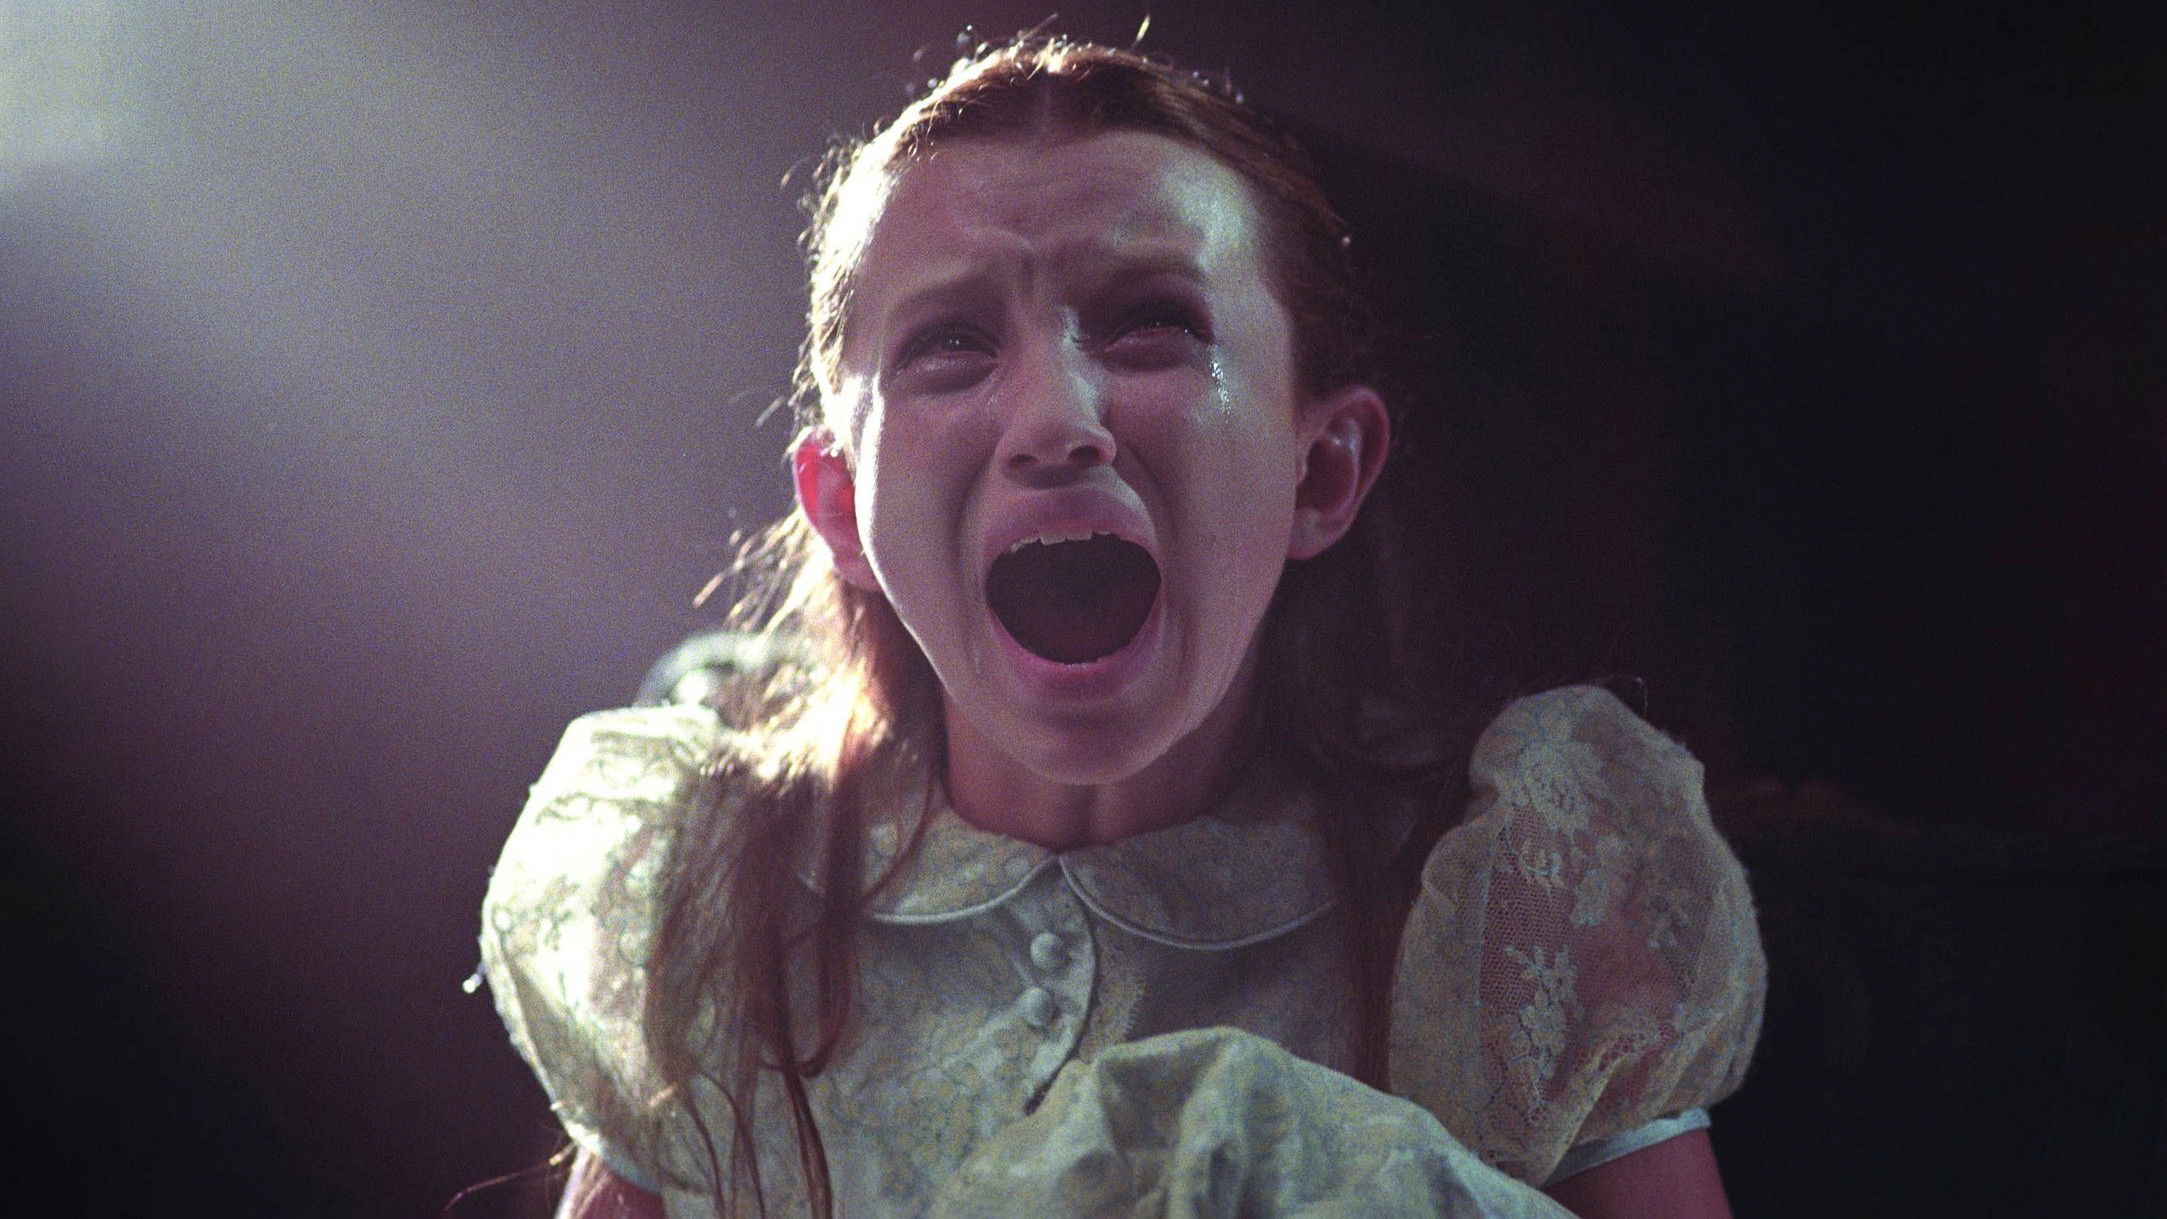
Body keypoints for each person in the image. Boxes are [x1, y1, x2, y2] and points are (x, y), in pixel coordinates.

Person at [479, 34, 1764, 1219]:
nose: (1054, 420)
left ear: (1321, 470)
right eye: (949, 343)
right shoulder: (710, 899)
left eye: (1153, 323)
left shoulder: (1523, 906)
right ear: (841, 511)